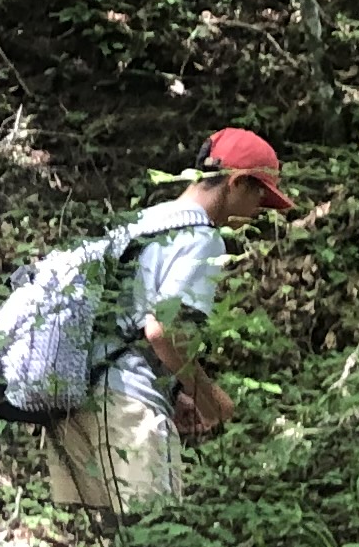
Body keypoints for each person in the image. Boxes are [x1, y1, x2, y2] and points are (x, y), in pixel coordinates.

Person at [46, 128, 292, 519]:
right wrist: (211, 399)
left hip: (76, 397)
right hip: (128, 405)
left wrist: (176, 392)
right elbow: (161, 330)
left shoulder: (143, 222)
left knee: (115, 542)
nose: (261, 207)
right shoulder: (201, 238)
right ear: (237, 182)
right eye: (260, 193)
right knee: (152, 538)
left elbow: (121, 318)